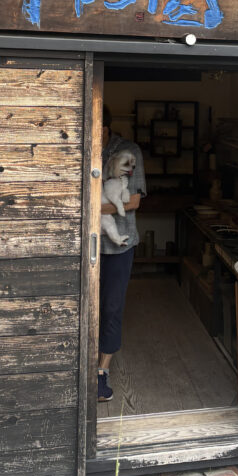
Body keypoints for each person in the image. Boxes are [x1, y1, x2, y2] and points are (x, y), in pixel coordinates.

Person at [98, 105, 145, 402]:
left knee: (111, 307)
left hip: (118, 246)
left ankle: (101, 372)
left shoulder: (128, 151)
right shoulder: (79, 145)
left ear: (104, 128)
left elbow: (135, 201)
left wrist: (93, 208)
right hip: (85, 243)